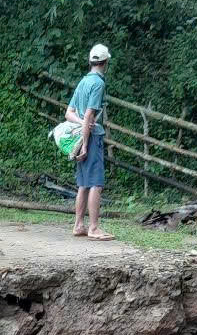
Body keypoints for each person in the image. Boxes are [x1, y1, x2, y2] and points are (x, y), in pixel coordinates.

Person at [65, 44, 114, 241]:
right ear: (105, 63)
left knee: (83, 184)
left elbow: (69, 114)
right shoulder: (98, 84)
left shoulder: (83, 82)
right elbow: (89, 115)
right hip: (91, 139)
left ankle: (79, 225)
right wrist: (85, 144)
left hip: (82, 135)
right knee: (96, 183)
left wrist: (83, 124)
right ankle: (93, 227)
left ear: (91, 61)